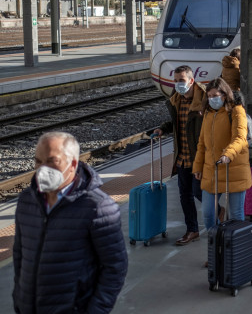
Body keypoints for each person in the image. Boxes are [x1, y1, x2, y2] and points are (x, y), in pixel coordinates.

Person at [13, 132, 127, 314]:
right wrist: (19, 299)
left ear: (73, 164)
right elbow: (20, 255)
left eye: (51, 161)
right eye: (38, 161)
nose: (42, 169)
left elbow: (115, 267)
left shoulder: (98, 207)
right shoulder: (27, 200)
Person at [152, 65, 206, 246]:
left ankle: (218, 213)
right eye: (175, 81)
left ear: (191, 80)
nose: (177, 84)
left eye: (181, 80)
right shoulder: (176, 100)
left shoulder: (205, 99)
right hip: (182, 156)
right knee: (185, 195)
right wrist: (163, 128)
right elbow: (176, 122)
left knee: (199, 192)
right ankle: (192, 230)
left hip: (199, 156)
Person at [193, 78, 251, 238]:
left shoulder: (236, 110)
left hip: (234, 168)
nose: (212, 99)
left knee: (236, 214)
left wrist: (228, 154)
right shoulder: (207, 114)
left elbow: (240, 138)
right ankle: (217, 248)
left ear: (224, 95)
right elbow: (202, 143)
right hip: (212, 170)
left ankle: (235, 252)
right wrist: (197, 167)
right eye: (209, 96)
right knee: (208, 214)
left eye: (215, 95)